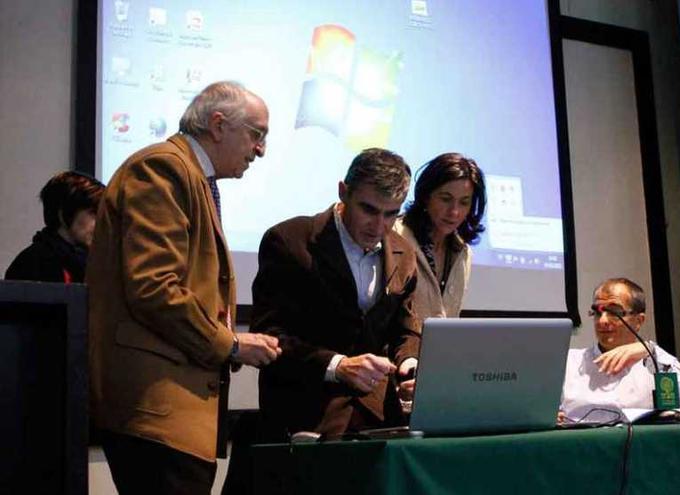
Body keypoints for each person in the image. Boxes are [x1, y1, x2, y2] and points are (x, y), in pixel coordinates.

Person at [88, 81, 282, 495]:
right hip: (157, 410)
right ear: (217, 124)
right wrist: (231, 345)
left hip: (176, 413)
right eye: (257, 134)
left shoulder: (191, 175)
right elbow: (155, 287)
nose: (261, 150)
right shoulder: (163, 168)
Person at [253, 148, 421, 438]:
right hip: (304, 415)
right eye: (368, 209)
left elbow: (404, 329)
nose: (379, 226)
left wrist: (409, 363)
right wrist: (338, 365)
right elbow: (269, 334)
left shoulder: (404, 253)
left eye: (391, 214)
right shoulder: (290, 240)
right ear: (343, 192)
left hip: (379, 419)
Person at [558, 278, 680, 423]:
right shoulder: (569, 362)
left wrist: (651, 349)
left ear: (639, 321)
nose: (602, 321)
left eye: (614, 312)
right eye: (597, 312)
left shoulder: (655, 363)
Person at [393, 152, 486, 319]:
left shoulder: (463, 252)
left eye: (464, 202)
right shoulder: (396, 237)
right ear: (426, 196)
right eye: (445, 199)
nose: (454, 212)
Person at [5, 171, 105, 283]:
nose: (102, 223)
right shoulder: (32, 263)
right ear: (64, 213)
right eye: (93, 213)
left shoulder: (94, 263)